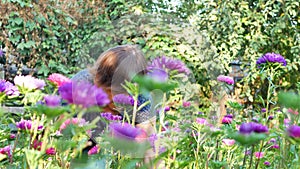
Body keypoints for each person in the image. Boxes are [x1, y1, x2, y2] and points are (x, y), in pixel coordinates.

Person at [71, 44, 156, 145]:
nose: (113, 103)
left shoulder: (141, 99)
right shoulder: (79, 85)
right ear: (97, 79)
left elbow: (147, 142)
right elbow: (56, 129)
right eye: (108, 92)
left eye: (120, 95)